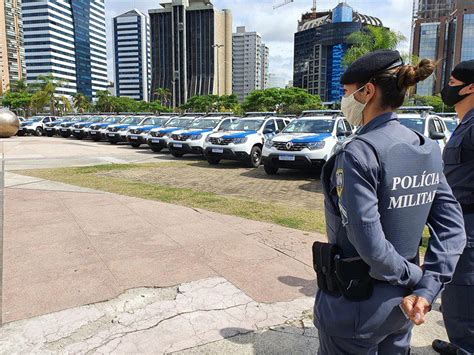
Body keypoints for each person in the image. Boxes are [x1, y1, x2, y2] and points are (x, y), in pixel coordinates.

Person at [313, 49, 466, 354]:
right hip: (404, 308)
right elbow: (453, 232)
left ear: (367, 91)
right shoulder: (426, 148)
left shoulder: (358, 153)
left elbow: (369, 241)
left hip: (354, 308)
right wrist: (425, 288)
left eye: (346, 92)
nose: (344, 101)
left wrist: (417, 278)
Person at [429, 60, 474, 355]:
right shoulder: (464, 124)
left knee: (463, 294)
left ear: (470, 87)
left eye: (454, 82)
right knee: (456, 297)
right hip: (456, 222)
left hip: (469, 224)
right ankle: (460, 342)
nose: (448, 88)